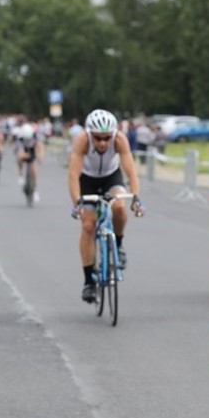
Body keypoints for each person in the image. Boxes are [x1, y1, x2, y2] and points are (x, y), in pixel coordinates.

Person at [68, 109, 144, 303]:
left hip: (111, 176)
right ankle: (88, 282)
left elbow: (131, 172)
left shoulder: (119, 139)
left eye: (106, 138)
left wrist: (136, 198)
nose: (102, 143)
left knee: (119, 207)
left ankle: (117, 245)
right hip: (88, 179)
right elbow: (73, 175)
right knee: (88, 226)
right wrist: (77, 202)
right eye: (98, 138)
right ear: (90, 134)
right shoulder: (82, 140)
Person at [16, 123, 45, 203]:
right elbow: (20, 152)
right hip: (24, 150)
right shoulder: (20, 138)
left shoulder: (36, 137)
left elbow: (40, 148)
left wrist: (40, 157)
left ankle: (35, 190)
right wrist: (24, 156)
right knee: (19, 158)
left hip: (32, 152)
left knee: (34, 171)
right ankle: (20, 175)